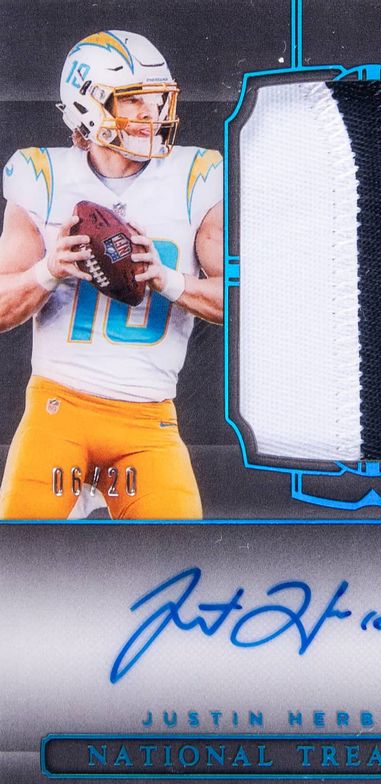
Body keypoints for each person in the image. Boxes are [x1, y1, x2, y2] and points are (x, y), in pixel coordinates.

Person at [0, 30, 223, 520]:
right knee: (19, 553)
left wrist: (168, 280)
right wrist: (48, 271)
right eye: (134, 100)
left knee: (181, 556)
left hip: (148, 418)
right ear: (87, 107)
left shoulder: (198, 176)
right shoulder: (41, 176)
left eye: (157, 99)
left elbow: (244, 301)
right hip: (58, 408)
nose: (152, 113)